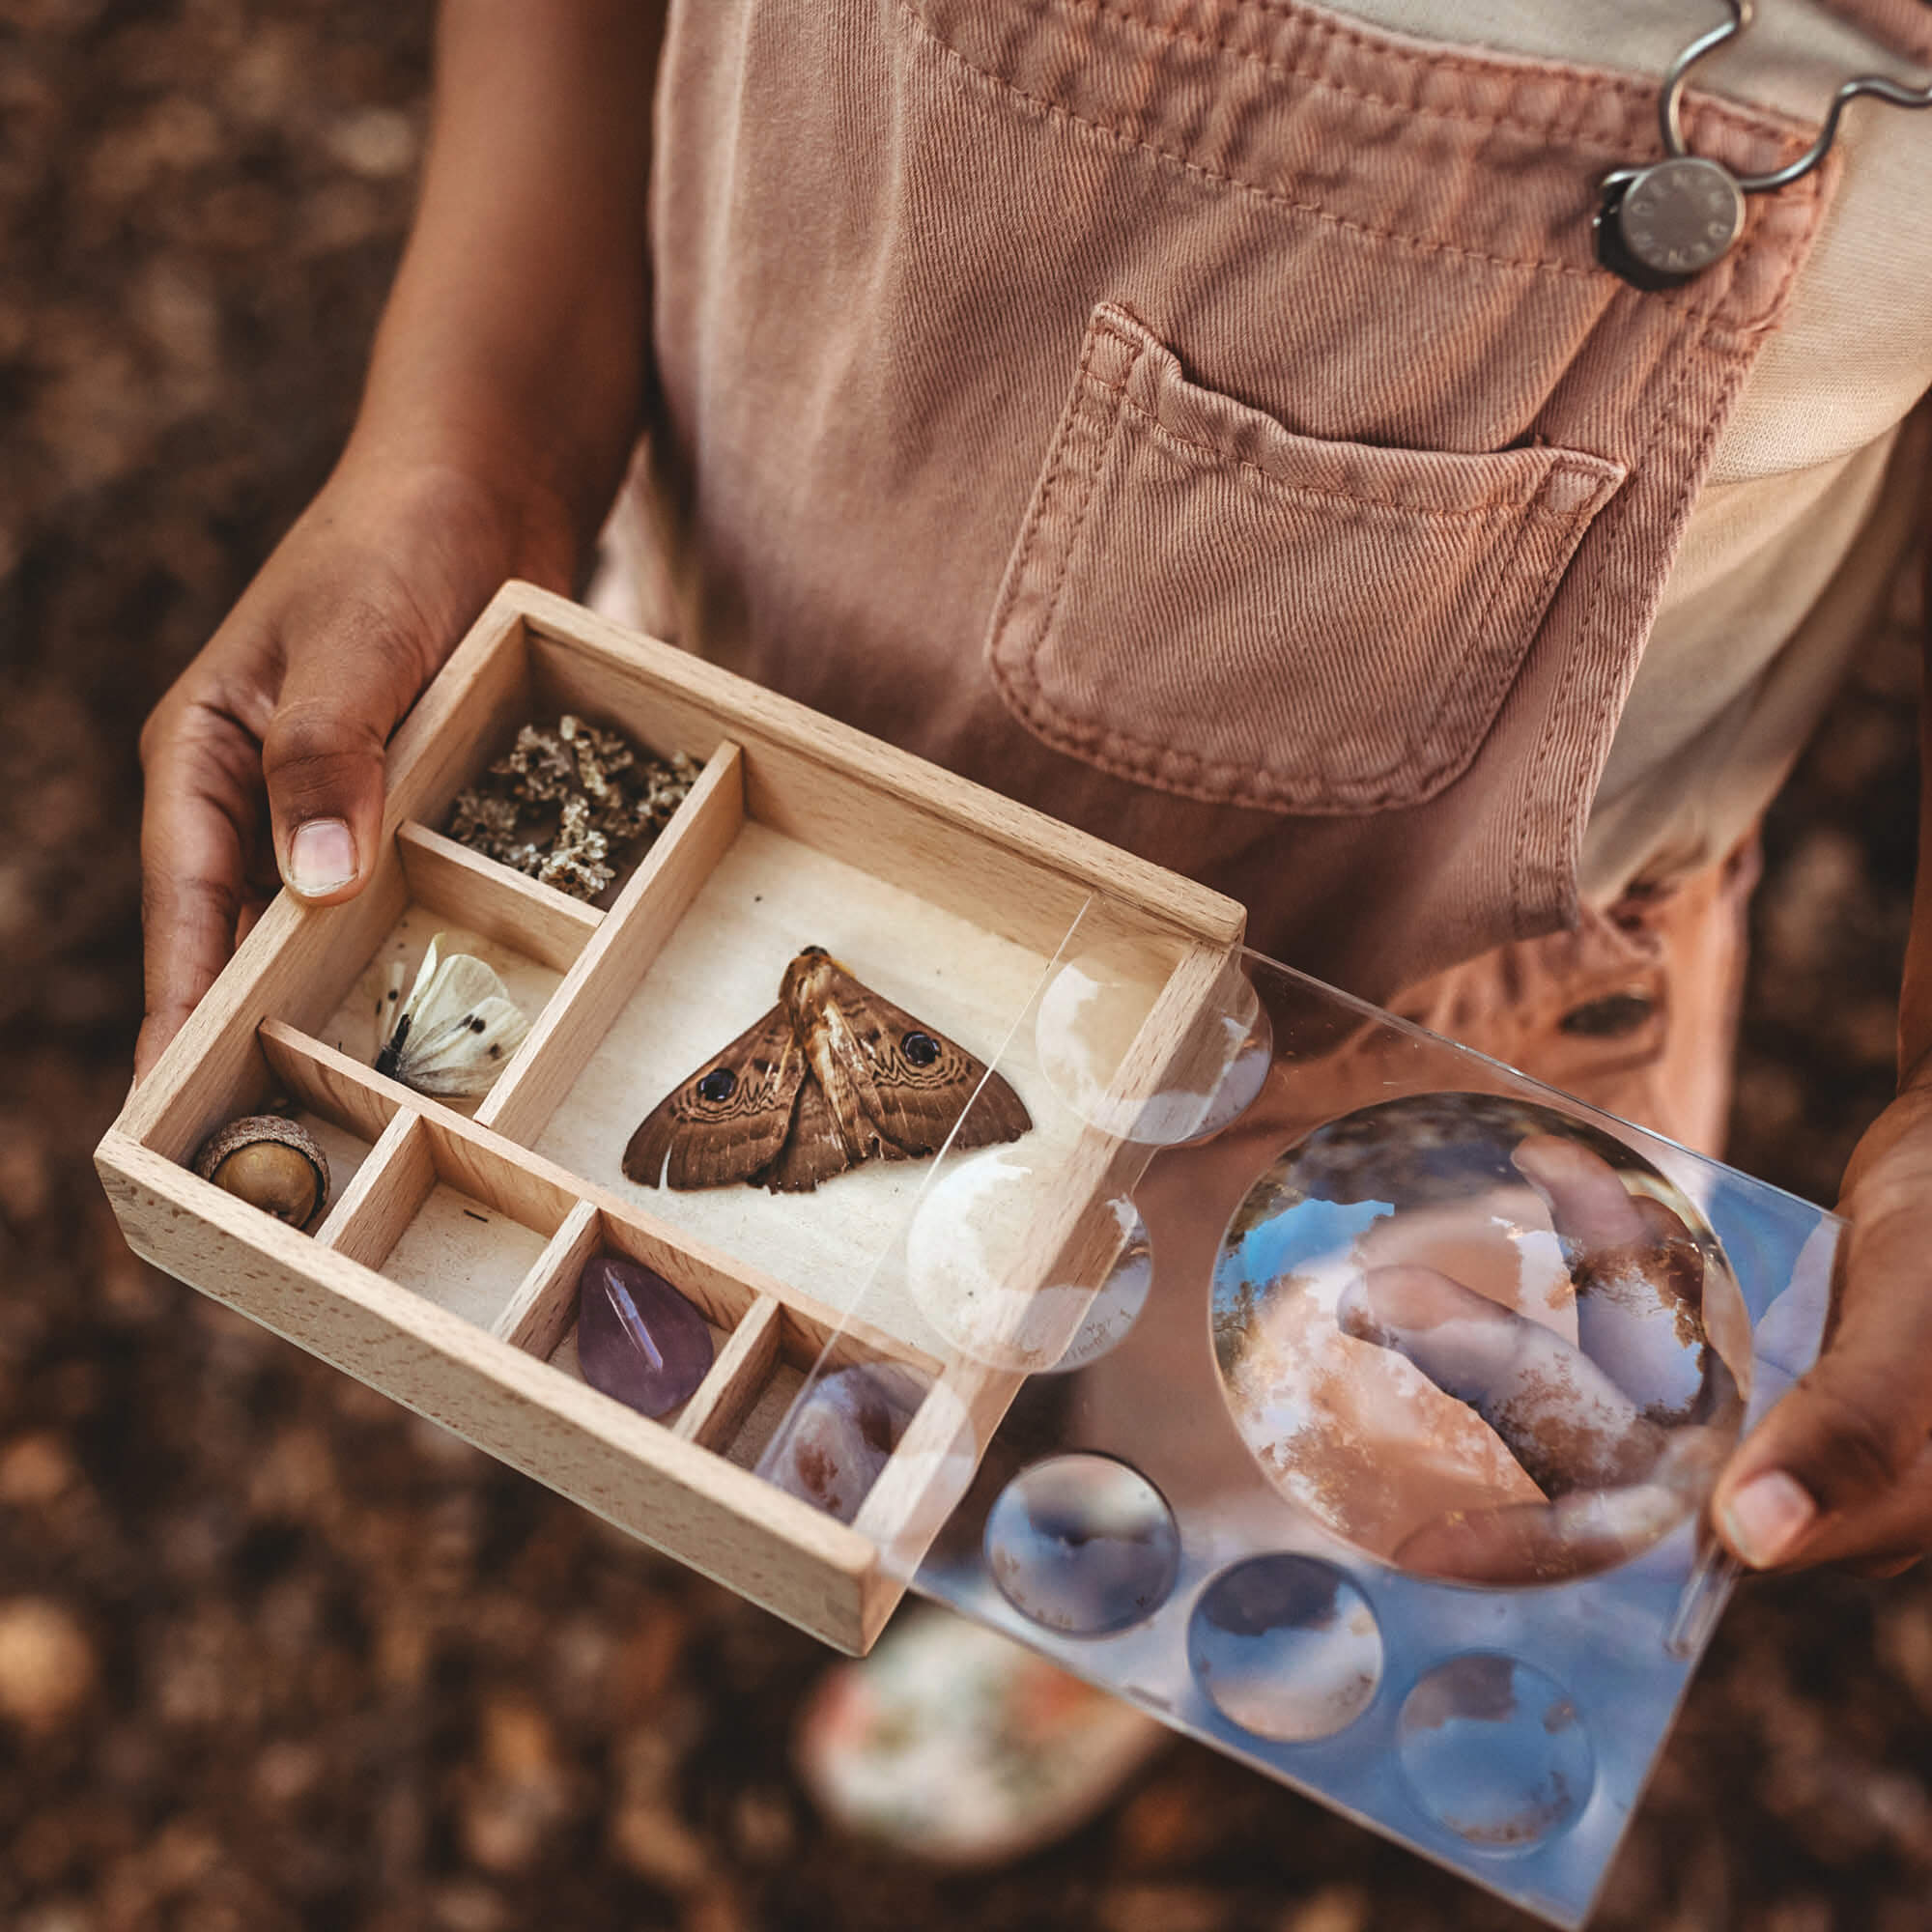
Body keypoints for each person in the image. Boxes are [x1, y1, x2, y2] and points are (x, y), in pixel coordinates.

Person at [134, 0, 1932, 1855]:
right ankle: (945, 1474)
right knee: (877, 1292)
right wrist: (472, 430)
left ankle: (1139, 1578)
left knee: (1301, 1389)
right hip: (731, 665)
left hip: (1422, 965)